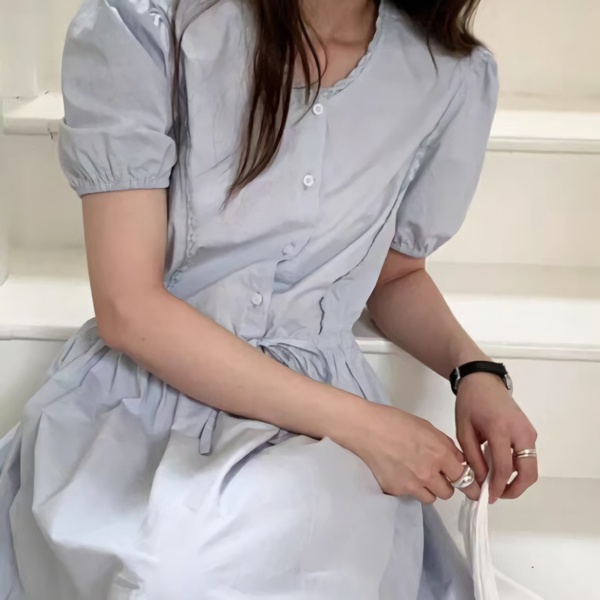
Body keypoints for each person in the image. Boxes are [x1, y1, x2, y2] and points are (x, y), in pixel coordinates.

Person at [0, 0, 539, 598]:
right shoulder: (150, 24)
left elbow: (394, 276)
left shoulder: (447, 74)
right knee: (169, 578)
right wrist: (368, 429)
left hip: (318, 435)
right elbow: (129, 309)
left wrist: (473, 370)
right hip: (145, 397)